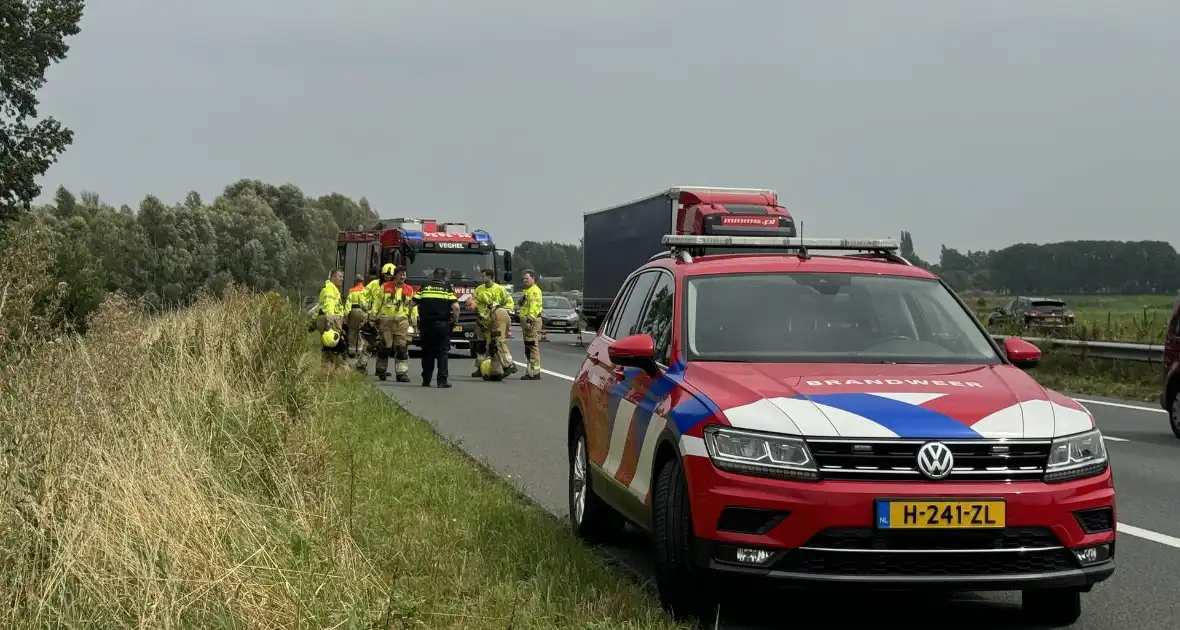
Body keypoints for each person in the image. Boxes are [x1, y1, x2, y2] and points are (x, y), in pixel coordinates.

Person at [413, 267, 460, 388]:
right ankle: (442, 381)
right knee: (442, 353)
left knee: (427, 353)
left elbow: (412, 303)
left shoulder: (424, 287)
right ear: (444, 277)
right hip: (442, 325)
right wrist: (454, 321)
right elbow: (456, 308)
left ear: (433, 275)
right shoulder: (446, 288)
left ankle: (426, 380)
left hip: (426, 325)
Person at [372, 267, 417, 382]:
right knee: (385, 347)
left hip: (402, 321)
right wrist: (373, 316)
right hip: (386, 321)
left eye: (404, 275)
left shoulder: (409, 289)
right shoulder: (385, 287)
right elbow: (377, 302)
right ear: (395, 276)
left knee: (402, 348)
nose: (402, 277)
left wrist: (414, 321)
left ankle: (402, 373)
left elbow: (413, 306)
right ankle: (381, 370)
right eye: (400, 274)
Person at [471, 269, 516, 380]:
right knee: (481, 346)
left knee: (495, 344)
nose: (481, 278)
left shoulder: (500, 289)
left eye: (483, 276)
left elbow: (509, 301)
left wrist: (503, 311)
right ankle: (481, 367)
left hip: (495, 320)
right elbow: (473, 302)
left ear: (490, 277)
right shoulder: (479, 289)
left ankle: (503, 367)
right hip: (483, 322)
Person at [317, 268, 346, 369]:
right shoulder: (330, 288)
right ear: (333, 277)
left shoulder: (329, 288)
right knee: (337, 348)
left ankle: (325, 372)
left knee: (327, 349)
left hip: (328, 320)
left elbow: (320, 307)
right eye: (339, 277)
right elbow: (329, 305)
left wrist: (313, 323)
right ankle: (340, 371)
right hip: (332, 322)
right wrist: (329, 322)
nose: (342, 279)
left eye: (342, 277)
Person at [517, 270, 543, 380]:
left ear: (533, 278)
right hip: (526, 321)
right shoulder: (527, 291)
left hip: (531, 321)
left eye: (527, 278)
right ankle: (530, 370)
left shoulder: (534, 291)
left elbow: (535, 306)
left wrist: (530, 318)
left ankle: (534, 371)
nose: (525, 280)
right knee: (528, 346)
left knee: (532, 346)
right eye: (523, 279)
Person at [345, 274, 372, 372]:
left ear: (355, 281)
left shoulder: (352, 290)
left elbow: (348, 303)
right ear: (362, 281)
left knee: (352, 330)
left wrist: (346, 314)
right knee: (361, 332)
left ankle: (352, 350)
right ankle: (360, 349)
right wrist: (369, 313)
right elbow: (368, 302)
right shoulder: (366, 290)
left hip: (354, 311)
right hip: (363, 311)